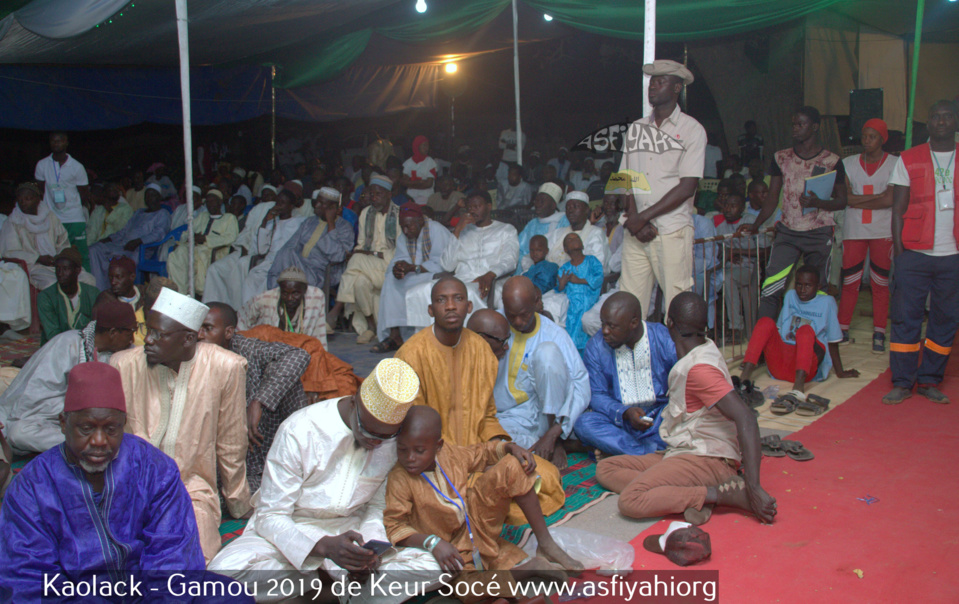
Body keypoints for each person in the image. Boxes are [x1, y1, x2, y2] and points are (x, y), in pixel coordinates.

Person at [0, 362, 249, 603]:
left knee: (229, 595)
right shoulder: (32, 486)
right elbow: (29, 577)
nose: (99, 440)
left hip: (145, 590)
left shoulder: (153, 468)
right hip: (76, 595)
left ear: (123, 424)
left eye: (111, 429)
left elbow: (172, 553)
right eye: (86, 428)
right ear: (64, 424)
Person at [208, 359, 440, 604]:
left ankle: (318, 594)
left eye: (386, 436)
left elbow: (375, 508)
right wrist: (321, 548)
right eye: (369, 432)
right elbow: (271, 515)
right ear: (354, 401)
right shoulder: (300, 430)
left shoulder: (393, 442)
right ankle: (334, 590)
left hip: (351, 534)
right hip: (291, 531)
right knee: (221, 577)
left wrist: (371, 552)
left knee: (436, 565)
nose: (376, 442)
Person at [596, 292, 777, 526]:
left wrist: (754, 488)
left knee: (632, 500)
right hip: (682, 451)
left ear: (669, 323)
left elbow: (746, 417)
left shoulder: (699, 369)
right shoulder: (700, 351)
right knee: (606, 468)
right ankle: (681, 492)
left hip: (706, 458)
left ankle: (717, 495)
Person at [395, 277, 566, 522]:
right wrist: (457, 461)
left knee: (544, 475)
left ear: (469, 307)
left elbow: (487, 415)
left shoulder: (481, 350)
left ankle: (482, 494)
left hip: (479, 451)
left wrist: (501, 449)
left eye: (458, 299)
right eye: (442, 300)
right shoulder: (410, 355)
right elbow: (413, 428)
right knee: (455, 496)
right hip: (434, 457)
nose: (451, 306)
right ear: (431, 310)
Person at [110, 287, 251, 562]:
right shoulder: (124, 365)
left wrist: (238, 502)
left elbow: (231, 441)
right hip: (131, 489)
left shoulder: (225, 366)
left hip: (191, 491)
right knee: (117, 559)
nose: (146, 340)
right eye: (146, 329)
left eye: (158, 334)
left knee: (196, 558)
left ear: (189, 339)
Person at [384, 406, 581, 600]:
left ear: (438, 446)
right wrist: (432, 542)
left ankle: (546, 543)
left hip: (475, 523)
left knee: (513, 465)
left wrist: (511, 447)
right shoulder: (399, 478)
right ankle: (530, 569)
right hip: (451, 549)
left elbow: (481, 452)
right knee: (466, 589)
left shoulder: (449, 455)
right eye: (402, 449)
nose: (409, 458)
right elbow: (395, 525)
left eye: (419, 451)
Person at [883, 101, 959, 405]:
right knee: (905, 317)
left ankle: (929, 379)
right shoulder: (909, 158)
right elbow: (897, 209)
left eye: (947, 116)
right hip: (914, 254)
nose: (941, 121)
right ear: (927, 124)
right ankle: (902, 381)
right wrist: (900, 254)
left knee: (945, 318)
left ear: (955, 122)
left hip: (953, 255)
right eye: (935, 117)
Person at [739, 107, 847, 320]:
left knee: (818, 289)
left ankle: (816, 339)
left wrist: (818, 202)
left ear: (814, 127)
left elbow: (843, 201)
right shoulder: (781, 157)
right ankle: (764, 343)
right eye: (794, 124)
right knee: (771, 287)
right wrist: (756, 224)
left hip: (818, 232)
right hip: (788, 232)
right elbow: (772, 198)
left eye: (801, 124)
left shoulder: (831, 161)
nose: (795, 129)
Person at [618, 60, 705, 318]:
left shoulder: (692, 130)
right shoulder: (636, 128)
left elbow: (687, 186)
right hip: (636, 231)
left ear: (677, 87)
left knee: (677, 305)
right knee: (629, 304)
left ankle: (677, 359)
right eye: (651, 81)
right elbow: (625, 179)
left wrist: (642, 218)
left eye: (660, 81)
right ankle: (636, 358)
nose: (653, 86)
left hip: (671, 230)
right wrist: (635, 221)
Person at [199, 303, 310, 493]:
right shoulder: (192, 356)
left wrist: (259, 401)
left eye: (208, 329)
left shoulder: (246, 349)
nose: (200, 335)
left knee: (289, 382)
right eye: (197, 329)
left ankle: (296, 467)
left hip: (264, 446)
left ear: (228, 332)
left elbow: (298, 355)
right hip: (225, 462)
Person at [0, 301, 135, 455]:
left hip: (94, 424)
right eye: (130, 331)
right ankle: (92, 445)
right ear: (113, 333)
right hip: (49, 419)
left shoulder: (125, 354)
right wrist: (77, 409)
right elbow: (35, 398)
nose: (132, 338)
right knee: (19, 433)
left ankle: (90, 444)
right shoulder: (66, 345)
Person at [495, 276, 590, 469]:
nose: (518, 321)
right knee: (489, 442)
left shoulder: (554, 335)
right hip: (508, 416)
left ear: (536, 303)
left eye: (524, 314)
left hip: (544, 416)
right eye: (511, 315)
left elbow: (580, 383)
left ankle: (555, 439)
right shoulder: (494, 324)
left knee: (548, 354)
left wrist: (555, 431)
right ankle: (546, 445)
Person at [739, 265, 858, 414]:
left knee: (805, 330)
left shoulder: (827, 302)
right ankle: (743, 382)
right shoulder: (790, 296)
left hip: (806, 368)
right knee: (765, 322)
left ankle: (798, 390)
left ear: (818, 286)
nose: (802, 290)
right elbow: (780, 330)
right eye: (799, 284)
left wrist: (839, 372)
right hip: (781, 364)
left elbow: (833, 341)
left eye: (808, 285)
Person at [573, 292, 676, 456]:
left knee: (685, 417)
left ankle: (625, 452)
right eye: (602, 324)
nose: (604, 331)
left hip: (659, 419)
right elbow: (597, 394)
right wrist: (624, 412)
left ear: (633, 323)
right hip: (621, 422)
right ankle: (648, 453)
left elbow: (683, 377)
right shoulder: (596, 346)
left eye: (612, 326)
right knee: (584, 423)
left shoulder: (662, 337)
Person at [405, 191, 519, 328]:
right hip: (460, 279)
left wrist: (491, 274)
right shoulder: (463, 231)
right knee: (419, 291)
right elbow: (447, 266)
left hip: (489, 283)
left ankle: (463, 342)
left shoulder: (506, 229)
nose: (472, 210)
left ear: (489, 206)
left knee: (464, 293)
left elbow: (510, 260)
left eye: (477, 206)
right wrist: (458, 230)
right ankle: (426, 341)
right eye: (469, 207)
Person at [838, 118, 895, 352]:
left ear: (883, 139)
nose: (867, 141)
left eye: (872, 137)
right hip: (854, 230)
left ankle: (879, 332)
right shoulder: (848, 163)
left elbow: (890, 200)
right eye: (864, 136)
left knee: (880, 282)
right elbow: (845, 198)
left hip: (883, 231)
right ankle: (841, 328)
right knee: (850, 281)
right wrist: (877, 199)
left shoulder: (894, 163)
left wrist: (857, 200)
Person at [326, 174, 400, 344]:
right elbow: (360, 245)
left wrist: (371, 254)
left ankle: (335, 310)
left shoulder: (399, 215)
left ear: (389, 194)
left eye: (378, 194)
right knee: (359, 281)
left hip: (389, 268)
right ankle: (370, 326)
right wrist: (365, 253)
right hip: (367, 266)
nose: (374, 198)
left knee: (356, 260)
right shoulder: (366, 213)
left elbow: (398, 252)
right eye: (371, 194)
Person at [374, 202, 453, 353]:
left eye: (408, 226)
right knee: (391, 280)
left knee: (428, 286)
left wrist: (413, 268)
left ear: (420, 222)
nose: (405, 230)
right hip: (417, 274)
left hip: (437, 276)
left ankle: (426, 338)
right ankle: (395, 335)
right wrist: (399, 268)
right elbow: (400, 257)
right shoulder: (404, 235)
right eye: (402, 226)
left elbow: (445, 264)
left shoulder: (437, 231)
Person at [0, 182, 93, 292]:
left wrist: (59, 258)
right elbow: (9, 252)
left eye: (28, 198)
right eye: (20, 200)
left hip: (58, 264)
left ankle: (82, 309)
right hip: (34, 267)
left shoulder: (50, 216)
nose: (23, 203)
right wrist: (38, 258)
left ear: (38, 199)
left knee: (88, 279)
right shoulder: (12, 222)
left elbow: (63, 242)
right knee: (52, 284)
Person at [267, 186, 355, 295]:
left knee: (287, 256)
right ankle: (276, 295)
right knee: (285, 253)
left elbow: (337, 257)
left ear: (332, 207)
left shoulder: (344, 227)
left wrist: (331, 223)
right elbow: (291, 245)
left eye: (321, 203)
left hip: (320, 273)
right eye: (317, 201)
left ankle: (275, 294)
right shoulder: (309, 221)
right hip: (298, 265)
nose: (316, 205)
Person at [88, 183, 171, 290]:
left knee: (113, 259)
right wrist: (110, 238)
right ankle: (100, 289)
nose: (149, 198)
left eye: (153, 195)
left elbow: (159, 233)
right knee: (94, 249)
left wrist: (139, 241)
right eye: (147, 195)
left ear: (159, 197)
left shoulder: (162, 214)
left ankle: (115, 289)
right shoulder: (139, 212)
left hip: (140, 250)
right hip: (122, 244)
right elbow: (124, 230)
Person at [238, 188, 308, 304]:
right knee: (251, 279)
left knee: (267, 282)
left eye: (282, 203)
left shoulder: (300, 222)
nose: (278, 206)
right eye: (277, 202)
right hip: (269, 261)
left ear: (291, 206)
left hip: (288, 262)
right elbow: (261, 249)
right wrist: (265, 220)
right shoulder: (270, 223)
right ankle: (249, 314)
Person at [34, 132, 91, 269]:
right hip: (51, 218)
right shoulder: (42, 165)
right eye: (53, 141)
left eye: (60, 141)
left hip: (74, 218)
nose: (56, 143)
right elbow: (41, 189)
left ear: (66, 143)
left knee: (80, 254)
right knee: (55, 254)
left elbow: (83, 193)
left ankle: (86, 284)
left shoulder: (77, 166)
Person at [167, 188, 239, 297]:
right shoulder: (202, 216)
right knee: (177, 254)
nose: (210, 204)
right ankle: (180, 292)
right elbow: (186, 233)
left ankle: (200, 291)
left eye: (213, 201)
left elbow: (231, 238)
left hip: (214, 251)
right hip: (194, 248)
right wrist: (191, 237)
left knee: (199, 253)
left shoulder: (229, 218)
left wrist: (206, 239)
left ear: (220, 202)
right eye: (208, 202)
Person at [240, 265, 329, 347]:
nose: (290, 298)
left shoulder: (315, 297)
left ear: (305, 290)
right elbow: (243, 318)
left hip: (301, 351)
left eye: (295, 293)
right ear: (280, 290)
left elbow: (319, 334)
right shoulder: (264, 300)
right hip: (268, 348)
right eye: (285, 293)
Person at [716, 192, 762, 341]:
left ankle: (736, 327)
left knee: (728, 279)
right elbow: (718, 253)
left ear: (742, 208)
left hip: (750, 269)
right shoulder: (721, 227)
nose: (728, 209)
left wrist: (736, 251)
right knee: (720, 279)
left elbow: (765, 250)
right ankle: (714, 330)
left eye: (733, 206)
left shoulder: (751, 221)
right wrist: (727, 254)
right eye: (726, 205)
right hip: (728, 267)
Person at [37, 247, 99, 344]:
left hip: (87, 347)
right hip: (56, 348)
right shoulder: (46, 297)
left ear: (77, 271)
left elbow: (98, 327)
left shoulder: (93, 293)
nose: (60, 273)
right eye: (57, 269)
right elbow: (52, 334)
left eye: (66, 269)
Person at [557, 233, 604, 352]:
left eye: (577, 238)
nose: (574, 239)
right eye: (570, 239)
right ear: (566, 249)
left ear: (583, 245)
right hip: (574, 309)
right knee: (573, 340)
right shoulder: (564, 268)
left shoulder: (592, 261)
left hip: (591, 303)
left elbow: (599, 278)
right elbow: (559, 289)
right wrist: (561, 284)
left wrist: (579, 280)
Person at [544, 191, 610, 272]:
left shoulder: (596, 234)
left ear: (587, 210)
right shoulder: (558, 233)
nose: (570, 210)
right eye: (568, 207)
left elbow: (596, 266)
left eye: (575, 207)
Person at [516, 183, 570, 266]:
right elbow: (519, 250)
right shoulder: (532, 224)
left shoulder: (564, 221)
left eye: (542, 201)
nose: (537, 204)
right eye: (536, 201)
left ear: (553, 205)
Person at [402, 135, 437, 206]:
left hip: (426, 198)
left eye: (427, 146)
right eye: (424, 145)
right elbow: (403, 182)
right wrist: (420, 182)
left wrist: (411, 184)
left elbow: (428, 184)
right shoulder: (407, 163)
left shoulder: (430, 162)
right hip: (410, 197)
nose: (426, 148)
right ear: (417, 146)